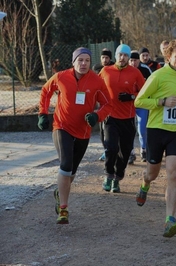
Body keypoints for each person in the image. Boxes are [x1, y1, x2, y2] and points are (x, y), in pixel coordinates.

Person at [38, 47, 112, 224]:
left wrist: (96, 116)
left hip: (83, 131)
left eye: (87, 60)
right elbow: (45, 91)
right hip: (61, 126)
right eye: (80, 60)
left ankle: (59, 192)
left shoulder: (96, 81)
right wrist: (42, 113)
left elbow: (108, 104)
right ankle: (63, 209)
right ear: (74, 62)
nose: (84, 63)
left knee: (71, 173)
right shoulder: (61, 77)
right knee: (65, 165)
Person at [134, 39, 176, 238]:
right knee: (152, 172)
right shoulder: (158, 76)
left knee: (173, 173)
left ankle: (170, 219)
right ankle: (145, 184)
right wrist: (162, 102)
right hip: (156, 130)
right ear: (169, 57)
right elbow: (139, 101)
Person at [99, 44, 145, 193]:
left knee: (125, 152)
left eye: (125, 55)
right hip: (110, 117)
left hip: (128, 118)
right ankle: (108, 175)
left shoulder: (135, 73)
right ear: (116, 56)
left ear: (128, 57)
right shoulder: (106, 71)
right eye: (120, 55)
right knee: (111, 147)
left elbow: (145, 93)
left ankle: (118, 177)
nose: (122, 58)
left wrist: (131, 96)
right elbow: (95, 88)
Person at [128, 51, 153, 163]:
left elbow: (152, 85)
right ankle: (130, 152)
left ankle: (144, 150)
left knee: (142, 128)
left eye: (135, 60)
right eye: (131, 60)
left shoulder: (145, 69)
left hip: (142, 103)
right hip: (129, 103)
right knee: (130, 129)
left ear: (139, 60)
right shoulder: (126, 70)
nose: (133, 63)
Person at [93, 48, 115, 161]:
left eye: (107, 58)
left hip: (114, 104)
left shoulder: (114, 69)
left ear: (110, 58)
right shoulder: (97, 69)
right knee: (102, 129)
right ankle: (106, 150)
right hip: (101, 103)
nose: (105, 60)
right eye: (103, 57)